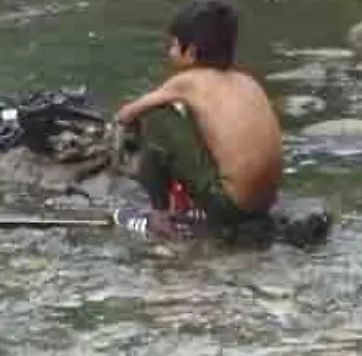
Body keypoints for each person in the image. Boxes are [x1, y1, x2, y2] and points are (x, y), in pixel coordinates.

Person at [111, 0, 284, 242]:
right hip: (264, 203)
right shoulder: (248, 81)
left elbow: (127, 114)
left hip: (231, 208)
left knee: (156, 116)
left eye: (172, 46)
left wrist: (127, 137)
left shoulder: (189, 81)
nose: (169, 53)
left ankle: (160, 219)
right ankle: (197, 206)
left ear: (191, 51)